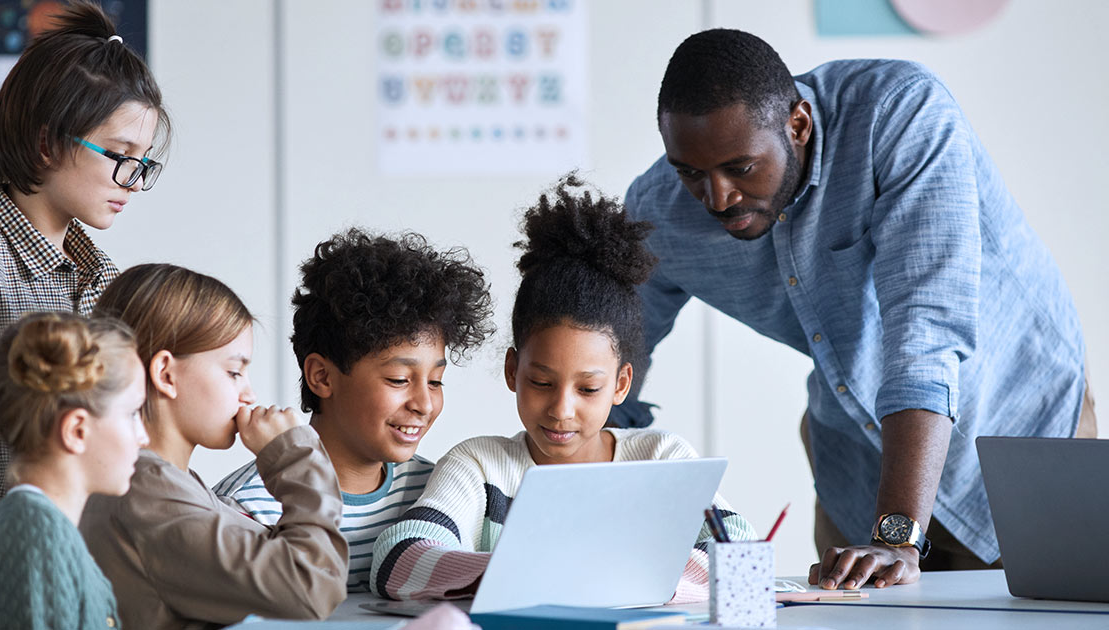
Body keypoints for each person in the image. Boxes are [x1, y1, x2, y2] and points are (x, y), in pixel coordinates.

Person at [612, 28, 1097, 590]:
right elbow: (611, 346)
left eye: (740, 168)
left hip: (1019, 431)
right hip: (855, 461)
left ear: (798, 125)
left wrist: (895, 538)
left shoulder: (899, 114)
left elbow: (925, 338)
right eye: (691, 173)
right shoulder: (660, 212)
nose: (716, 198)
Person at [370, 175, 756, 602]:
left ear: (621, 384)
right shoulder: (481, 467)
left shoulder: (662, 461)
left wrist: (596, 577)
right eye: (540, 382)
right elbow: (399, 559)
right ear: (512, 370)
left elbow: (741, 551)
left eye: (588, 389)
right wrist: (539, 570)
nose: (561, 409)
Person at [0, 2, 168, 621]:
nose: (132, 180)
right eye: (117, 154)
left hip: (55, 582)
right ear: (47, 142)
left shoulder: (98, 277)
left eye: (145, 162)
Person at [215, 229, 495, 592]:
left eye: (436, 381)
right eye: (398, 379)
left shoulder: (439, 495)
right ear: (322, 376)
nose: (424, 404)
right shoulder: (248, 507)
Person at [80, 264, 348, 629]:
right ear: (166, 375)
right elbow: (312, 586)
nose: (249, 393)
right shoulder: (145, 491)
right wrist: (294, 455)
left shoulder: (162, 482)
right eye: (234, 372)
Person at [0, 312, 148, 630]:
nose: (143, 437)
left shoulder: (35, 529)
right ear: (77, 430)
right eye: (133, 413)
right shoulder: (37, 541)